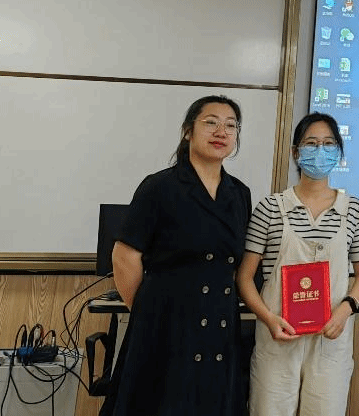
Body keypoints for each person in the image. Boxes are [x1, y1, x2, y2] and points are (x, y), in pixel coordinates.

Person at [102, 95, 252, 416]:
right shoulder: (160, 186)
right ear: (188, 131)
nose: (221, 132)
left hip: (220, 321)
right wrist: (149, 313)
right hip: (166, 323)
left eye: (231, 126)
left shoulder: (239, 193)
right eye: (210, 122)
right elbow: (125, 256)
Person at [237, 112, 359, 416]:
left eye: (328, 143)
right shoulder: (270, 207)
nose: (320, 151)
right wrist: (268, 319)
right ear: (296, 153)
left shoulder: (353, 209)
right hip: (278, 336)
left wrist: (346, 309)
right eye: (311, 143)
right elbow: (245, 278)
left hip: (331, 337)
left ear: (339, 152)